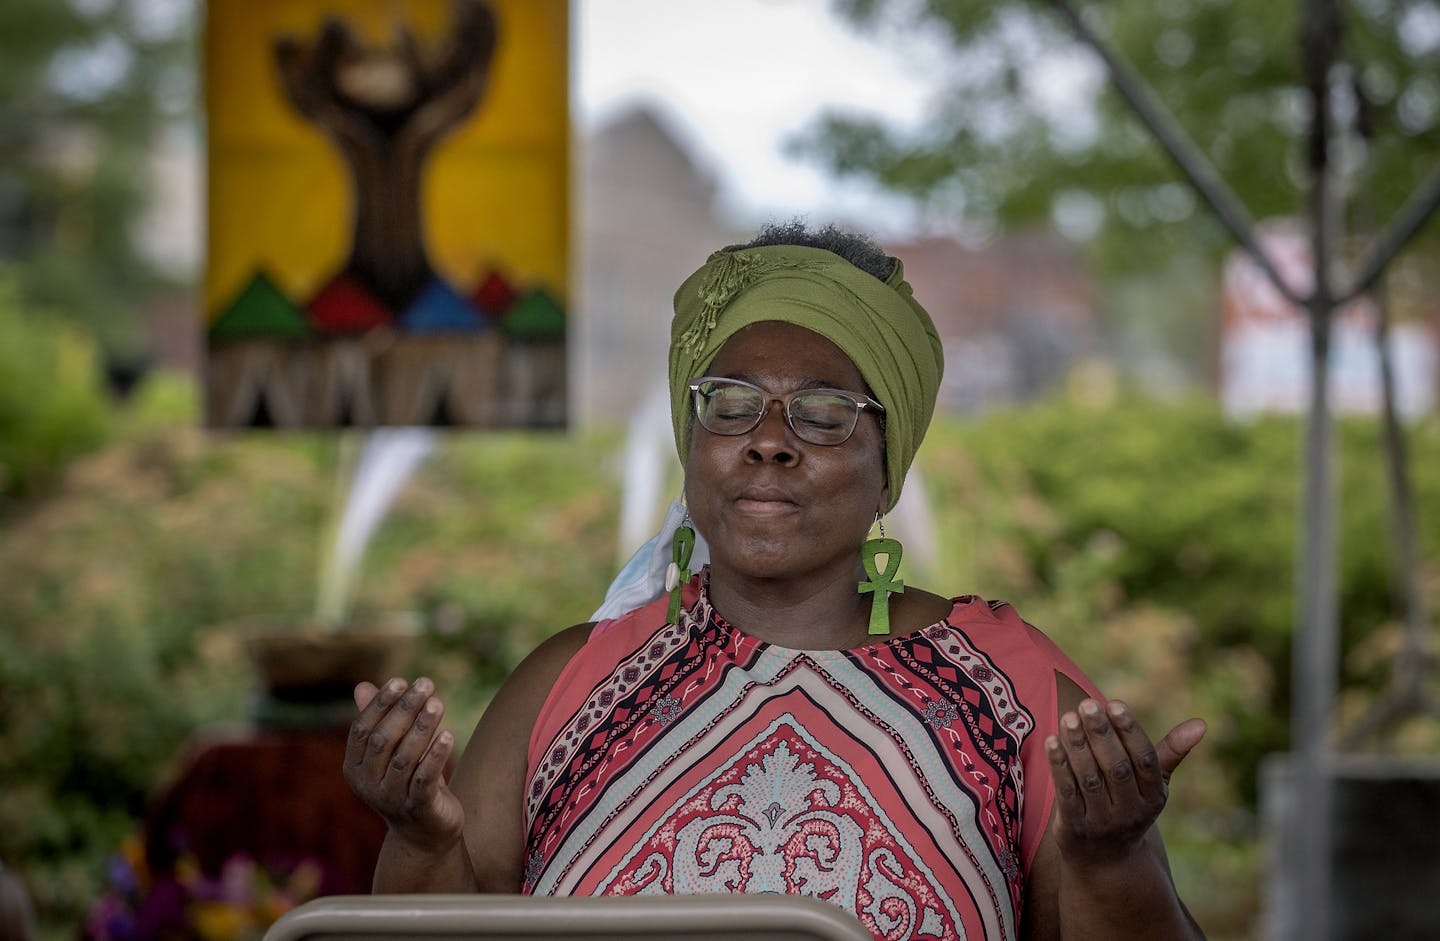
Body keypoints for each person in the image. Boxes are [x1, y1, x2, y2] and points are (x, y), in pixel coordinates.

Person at [343, 222, 1208, 940]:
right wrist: (420, 833)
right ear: (691, 444)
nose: (768, 439)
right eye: (730, 402)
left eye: (825, 414)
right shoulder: (566, 681)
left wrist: (1108, 857)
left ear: (886, 468)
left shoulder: (1016, 691)